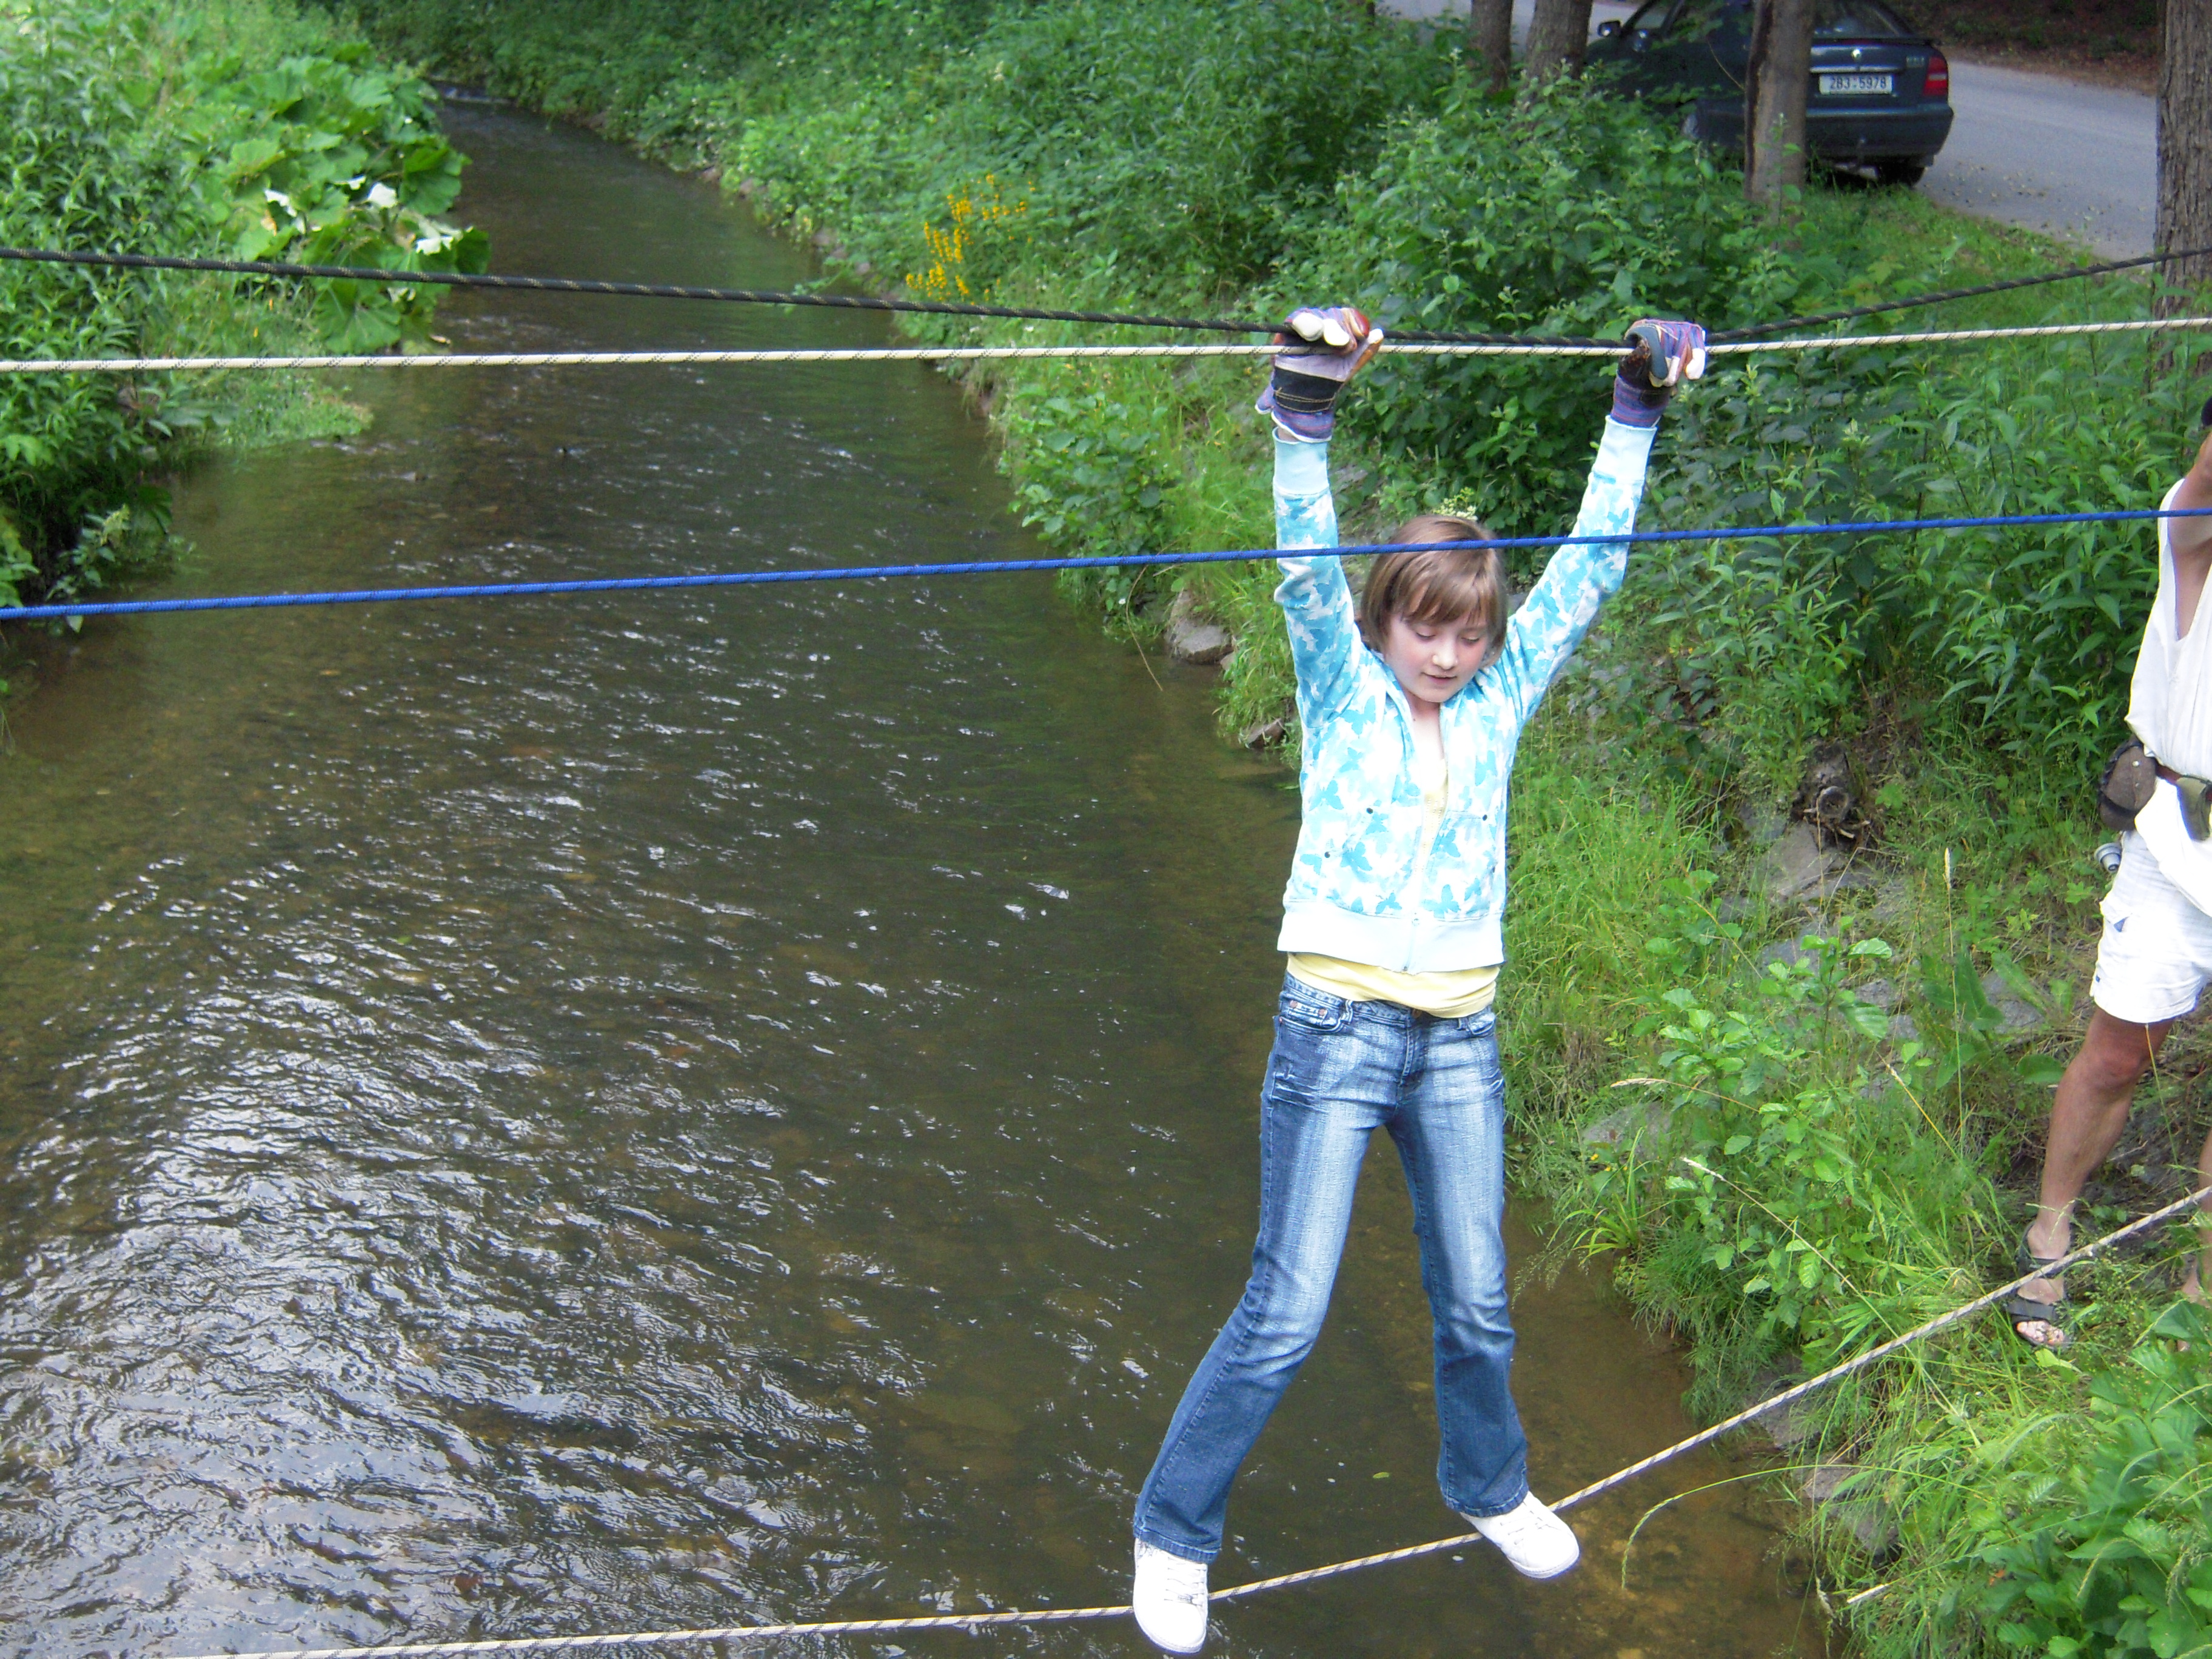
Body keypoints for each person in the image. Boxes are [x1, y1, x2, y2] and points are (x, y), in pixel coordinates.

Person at [1127, 304, 1708, 1653]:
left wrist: (1635, 409)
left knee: (1480, 1302)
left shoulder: (1498, 702)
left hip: (1457, 1037)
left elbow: (1591, 570)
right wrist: (1305, 413)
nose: (1447, 656)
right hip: (1333, 1027)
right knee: (1287, 1309)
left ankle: (1488, 1486)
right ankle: (1173, 1529)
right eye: (1425, 628)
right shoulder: (1340, 690)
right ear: (1386, 617)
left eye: (1469, 635)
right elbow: (1299, 561)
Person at [2006, 406, 2212, 1352]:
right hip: (2179, 838)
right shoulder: (2195, 537)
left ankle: (2203, 1289)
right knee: (2120, 1054)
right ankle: (2050, 1232)